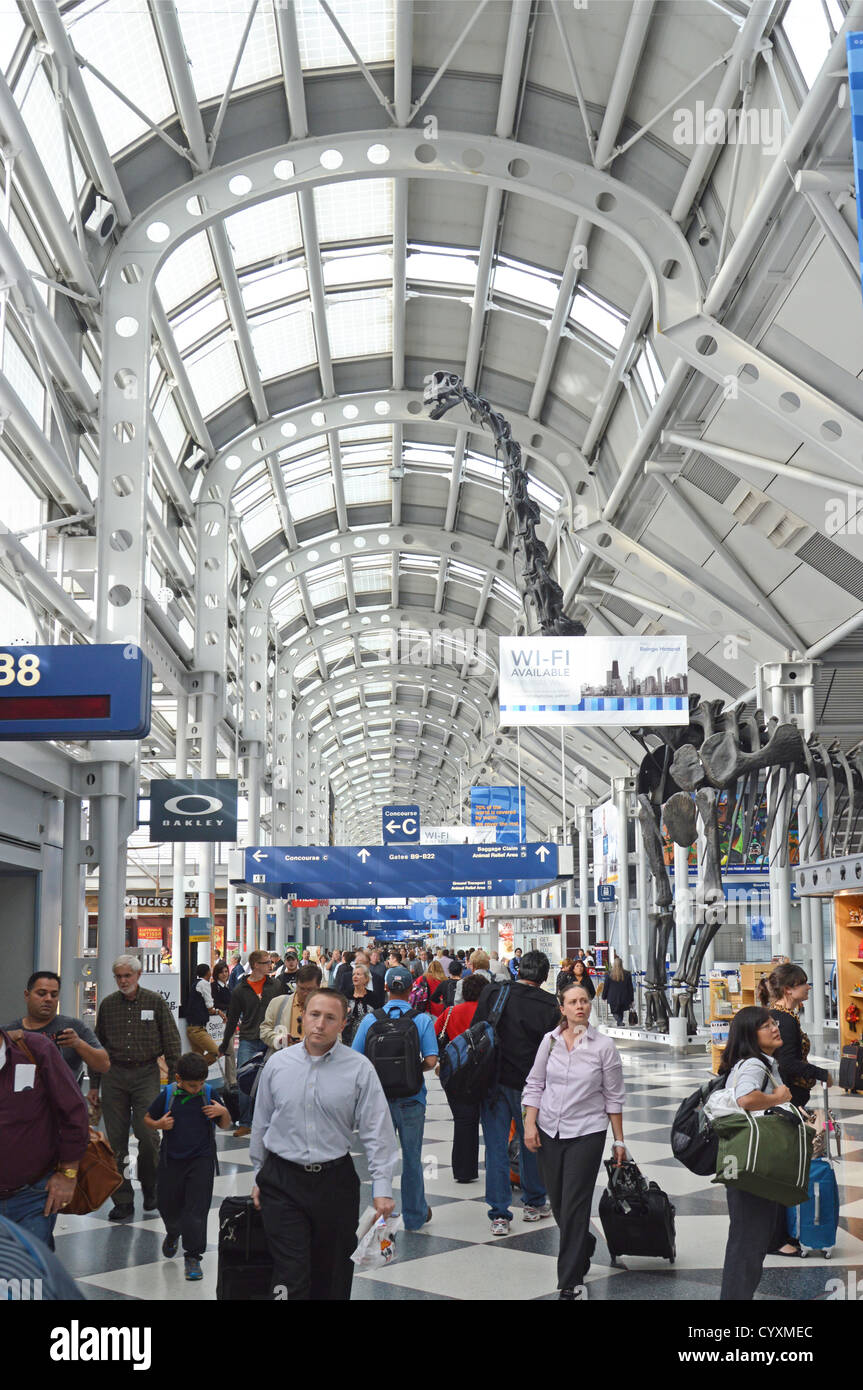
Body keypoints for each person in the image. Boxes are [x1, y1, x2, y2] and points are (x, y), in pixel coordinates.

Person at [251, 987, 399, 1300]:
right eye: (314, 1015)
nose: (320, 1024)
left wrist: (382, 1188)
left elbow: (377, 1129)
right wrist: (257, 1174)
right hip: (282, 1180)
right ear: (302, 1016)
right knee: (290, 1272)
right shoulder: (278, 1065)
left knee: (333, 1273)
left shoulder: (359, 1069)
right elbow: (262, 1123)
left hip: (334, 1182)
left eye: (330, 1018)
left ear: (343, 1024)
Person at [522, 982, 627, 1300]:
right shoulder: (549, 1042)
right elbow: (534, 1083)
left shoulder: (603, 1046)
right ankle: (584, 1242)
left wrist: (619, 1141)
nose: (580, 1006)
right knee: (559, 1204)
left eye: (584, 1001)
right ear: (562, 1008)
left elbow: (613, 1096)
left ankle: (569, 1280)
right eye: (573, 1001)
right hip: (549, 1129)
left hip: (587, 1132)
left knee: (575, 1202)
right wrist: (529, 1123)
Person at [707, 1006, 796, 1300]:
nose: (775, 1028)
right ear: (750, 1035)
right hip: (751, 1165)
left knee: (751, 1239)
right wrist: (778, 1096)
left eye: (774, 1023)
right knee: (747, 1241)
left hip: (750, 1162)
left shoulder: (761, 1063)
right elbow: (746, 1099)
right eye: (766, 1025)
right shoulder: (755, 1065)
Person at [473, 950, 561, 1234]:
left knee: (496, 1146)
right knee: (530, 1142)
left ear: (518, 969)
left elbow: (477, 1030)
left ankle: (499, 1215)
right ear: (545, 976)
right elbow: (554, 1052)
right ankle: (534, 1202)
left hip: (491, 1081)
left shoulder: (492, 991)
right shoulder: (549, 1005)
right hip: (529, 1088)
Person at [91, 954, 181, 1222]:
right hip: (114, 1075)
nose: (122, 981)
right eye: (118, 976)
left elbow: (172, 1041)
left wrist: (176, 1082)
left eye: (127, 976)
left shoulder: (155, 1002)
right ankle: (122, 1199)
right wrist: (94, 1085)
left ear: (138, 975)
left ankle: (151, 1185)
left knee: (149, 1136)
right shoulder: (108, 1006)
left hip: (146, 1074)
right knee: (115, 1142)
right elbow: (97, 1048)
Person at [352, 966, 438, 1230]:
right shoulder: (421, 1020)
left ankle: (382, 1213)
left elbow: (356, 1060)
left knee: (381, 1157)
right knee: (412, 1158)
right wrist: (413, 1070)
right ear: (412, 989)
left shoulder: (370, 1020)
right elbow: (432, 1060)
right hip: (412, 1099)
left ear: (386, 988)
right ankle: (414, 1216)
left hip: (380, 1101)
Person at [145, 1051, 231, 1281]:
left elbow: (224, 1124)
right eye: (193, 1085)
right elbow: (147, 1119)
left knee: (196, 1210)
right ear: (179, 1078)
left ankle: (193, 1255)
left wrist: (223, 1112)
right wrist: (160, 1124)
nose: (197, 1089)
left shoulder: (209, 1093)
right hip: (171, 1159)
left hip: (201, 1160)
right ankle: (173, 1232)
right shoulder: (169, 1094)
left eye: (201, 1083)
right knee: (167, 1204)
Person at [0, 1025, 89, 1248]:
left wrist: (68, 1173)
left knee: (29, 1276)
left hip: (31, 1194)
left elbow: (73, 1111)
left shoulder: (34, 1050)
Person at [5, 970, 109, 1096]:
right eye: (41, 993)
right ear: (27, 995)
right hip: (21, 1107)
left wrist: (78, 1044)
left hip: (62, 1108)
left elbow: (103, 1065)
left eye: (54, 995)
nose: (48, 999)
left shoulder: (75, 1027)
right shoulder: (9, 1032)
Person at [434, 972, 486, 1182]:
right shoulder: (488, 1012)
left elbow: (434, 1033)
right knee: (490, 1123)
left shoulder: (451, 1012)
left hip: (456, 1072)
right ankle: (497, 1168)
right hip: (483, 1071)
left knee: (463, 1121)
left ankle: (464, 1171)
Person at [760, 963, 832, 1108]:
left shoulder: (776, 1015)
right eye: (803, 983)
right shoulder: (785, 1020)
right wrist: (822, 1074)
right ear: (788, 990)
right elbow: (787, 1063)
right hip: (787, 1095)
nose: (808, 987)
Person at [260, 964, 323, 1053]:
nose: (305, 993)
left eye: (310, 989)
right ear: (296, 984)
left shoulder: (327, 1009)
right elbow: (264, 1030)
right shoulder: (278, 1003)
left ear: (319, 987)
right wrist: (279, 1039)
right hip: (284, 1060)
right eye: (301, 988)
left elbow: (336, 1039)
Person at [183, 963, 225, 1064]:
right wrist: (218, 1011)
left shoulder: (196, 984)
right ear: (208, 972)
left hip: (192, 1028)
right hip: (198, 1029)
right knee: (216, 1052)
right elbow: (210, 1007)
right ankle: (194, 1070)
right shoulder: (204, 984)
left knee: (197, 1056)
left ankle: (194, 1075)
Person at [211, 960, 236, 1086]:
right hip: (220, 1022)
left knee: (229, 1051)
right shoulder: (215, 987)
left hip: (229, 1021)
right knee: (228, 1050)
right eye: (221, 972)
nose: (224, 974)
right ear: (217, 974)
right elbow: (214, 1004)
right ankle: (231, 1080)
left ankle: (231, 1079)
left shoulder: (227, 986)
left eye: (226, 971)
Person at [342, 963, 379, 1045]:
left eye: (358, 974)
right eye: (353, 974)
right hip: (347, 1041)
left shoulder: (373, 997)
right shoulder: (346, 995)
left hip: (368, 1040)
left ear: (366, 979)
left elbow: (378, 1019)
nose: (355, 976)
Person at [602, 955, 633, 1025]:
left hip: (612, 996)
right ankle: (620, 1022)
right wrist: (631, 999)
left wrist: (604, 996)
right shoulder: (627, 974)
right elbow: (630, 987)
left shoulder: (609, 974)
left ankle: (619, 1021)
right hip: (624, 996)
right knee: (620, 1011)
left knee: (614, 1011)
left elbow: (606, 986)